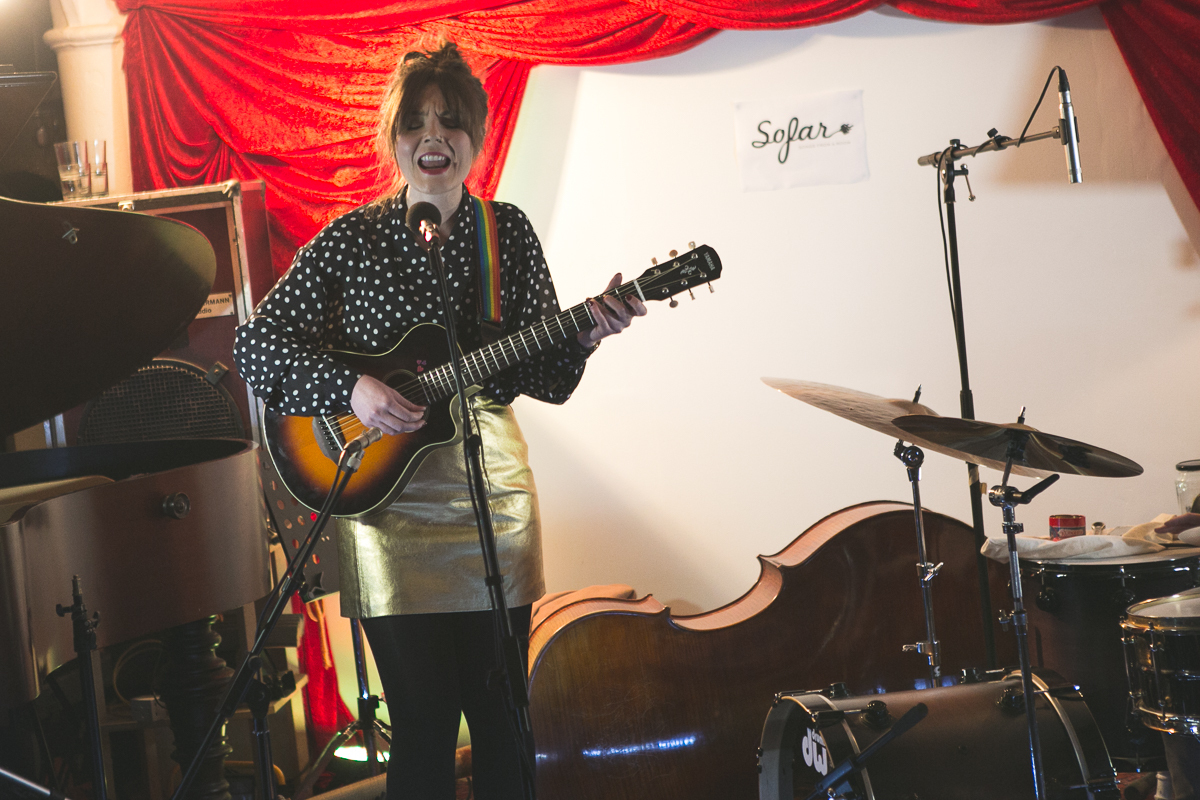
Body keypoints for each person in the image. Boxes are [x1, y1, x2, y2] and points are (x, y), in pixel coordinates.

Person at [233, 42, 645, 799]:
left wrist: (585, 332)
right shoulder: (351, 240)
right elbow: (254, 345)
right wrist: (348, 387)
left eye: (451, 123)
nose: (434, 137)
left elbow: (541, 379)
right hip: (388, 515)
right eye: (417, 123)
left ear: (475, 141)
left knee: (501, 716)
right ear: (393, 140)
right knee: (422, 721)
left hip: (495, 503)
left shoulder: (506, 234)